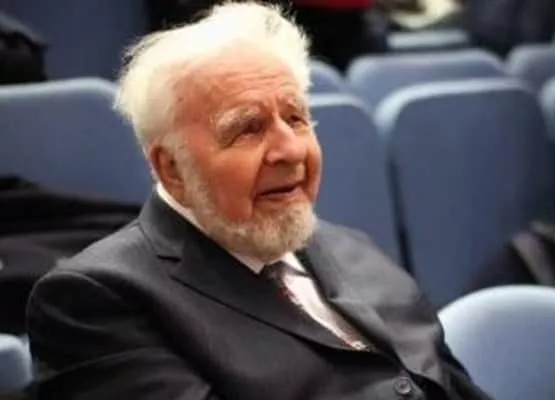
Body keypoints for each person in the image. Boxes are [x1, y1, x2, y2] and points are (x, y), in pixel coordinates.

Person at [26, 2, 491, 399]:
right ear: (172, 168)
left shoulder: (354, 249)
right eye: (248, 129)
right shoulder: (96, 301)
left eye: (297, 118)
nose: (290, 150)